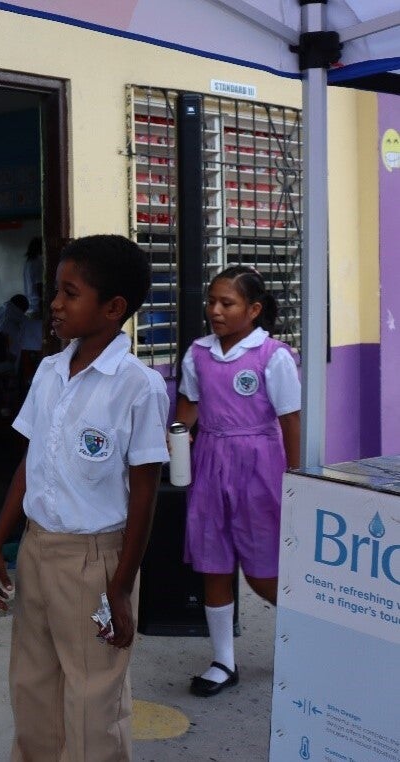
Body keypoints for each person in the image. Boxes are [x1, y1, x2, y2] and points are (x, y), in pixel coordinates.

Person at [0, 235, 169, 761]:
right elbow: (31, 462)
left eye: (70, 293)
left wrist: (122, 585)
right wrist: (0, 540)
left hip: (95, 560)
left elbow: (144, 495)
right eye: (55, 292)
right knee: (33, 690)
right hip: (38, 553)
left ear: (113, 309)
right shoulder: (48, 373)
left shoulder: (138, 387)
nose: (56, 305)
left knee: (93, 702)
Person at [174, 265, 300, 698]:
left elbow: (290, 421)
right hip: (210, 461)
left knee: (264, 572)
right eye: (211, 301)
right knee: (214, 564)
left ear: (254, 309)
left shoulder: (272, 356)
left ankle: (309, 633)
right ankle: (223, 661)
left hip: (259, 465)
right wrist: (172, 438)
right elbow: (188, 409)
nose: (215, 310)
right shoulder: (198, 354)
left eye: (227, 303)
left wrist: (295, 480)